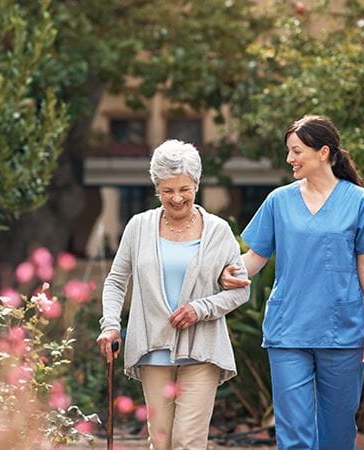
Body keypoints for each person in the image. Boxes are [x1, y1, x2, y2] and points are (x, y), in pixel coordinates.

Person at [220, 115, 364, 449]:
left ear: (324, 152)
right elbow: (256, 257)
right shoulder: (278, 201)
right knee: (293, 433)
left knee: (338, 431)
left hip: (342, 332)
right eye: (289, 151)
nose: (290, 159)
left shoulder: (360, 202)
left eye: (297, 151)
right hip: (289, 331)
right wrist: (227, 271)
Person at [97, 139, 250, 450]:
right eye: (168, 191)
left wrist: (200, 308)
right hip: (153, 348)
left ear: (196, 183)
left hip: (202, 349)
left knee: (188, 441)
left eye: (184, 189)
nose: (177, 198)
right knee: (161, 440)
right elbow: (116, 281)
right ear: (156, 187)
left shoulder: (218, 231)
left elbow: (239, 292)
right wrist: (110, 324)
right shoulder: (138, 227)